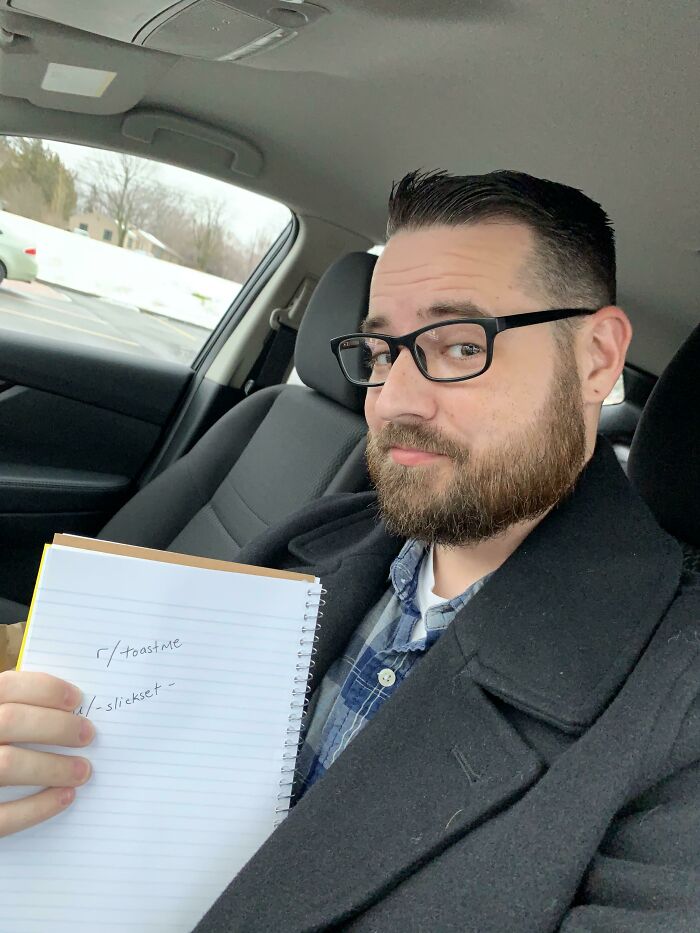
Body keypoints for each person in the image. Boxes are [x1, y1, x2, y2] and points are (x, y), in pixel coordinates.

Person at [1, 169, 698, 932]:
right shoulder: (318, 537)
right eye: (380, 350)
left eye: (460, 344)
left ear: (597, 358)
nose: (393, 397)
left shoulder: (678, 698)